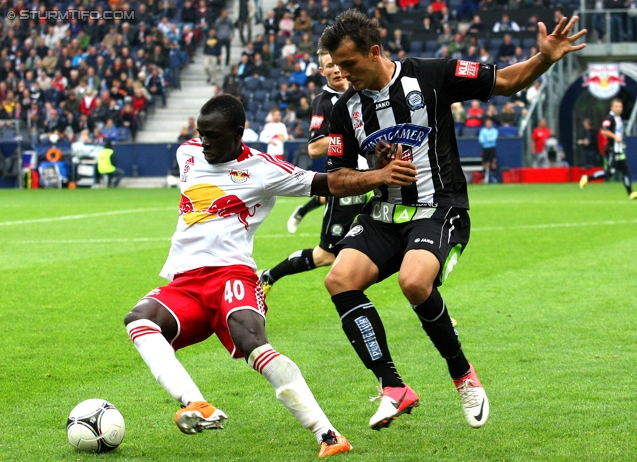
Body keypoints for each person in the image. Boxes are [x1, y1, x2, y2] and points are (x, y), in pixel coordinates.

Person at [318, 9, 586, 431]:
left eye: (349, 65)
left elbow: (508, 81)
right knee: (338, 279)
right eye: (337, 67)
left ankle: (463, 375)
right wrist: (377, 176)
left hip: (439, 208)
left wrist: (544, 58)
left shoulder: (431, 75)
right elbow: (335, 178)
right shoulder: (345, 109)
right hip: (384, 213)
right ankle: (393, 387)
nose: (344, 75)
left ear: (374, 52)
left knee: (414, 282)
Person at [123, 94, 352, 459]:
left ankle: (327, 433)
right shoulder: (187, 154)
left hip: (232, 274)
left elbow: (331, 183)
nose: (205, 143)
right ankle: (197, 404)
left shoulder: (265, 169)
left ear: (238, 133)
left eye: (213, 135)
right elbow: (196, 150)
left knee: (251, 340)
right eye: (201, 134)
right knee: (139, 320)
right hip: (184, 281)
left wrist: (380, 176)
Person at [258, 49, 368, 293]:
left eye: (340, 64)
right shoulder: (324, 102)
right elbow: (315, 148)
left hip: (376, 182)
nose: (336, 70)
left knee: (395, 242)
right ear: (322, 71)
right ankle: (269, 275)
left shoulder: (365, 91)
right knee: (325, 256)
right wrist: (350, 136)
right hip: (348, 185)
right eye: (330, 66)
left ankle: (431, 310)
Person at [579, 98, 637, 199]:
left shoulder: (618, 118)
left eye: (620, 106)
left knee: (625, 170)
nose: (619, 108)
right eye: (617, 106)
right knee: (610, 173)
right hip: (612, 149)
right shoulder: (609, 118)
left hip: (619, 149)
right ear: (612, 107)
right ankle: (587, 178)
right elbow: (603, 131)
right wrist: (615, 137)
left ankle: (630, 193)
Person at [478, 118, 498, 183]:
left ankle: (494, 178)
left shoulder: (494, 131)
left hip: (492, 149)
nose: (488, 125)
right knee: (484, 162)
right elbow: (481, 140)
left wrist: (486, 138)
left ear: (491, 124)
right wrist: (489, 138)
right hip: (485, 149)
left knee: (493, 162)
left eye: (489, 124)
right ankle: (483, 178)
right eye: (487, 124)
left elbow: (493, 139)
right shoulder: (483, 131)